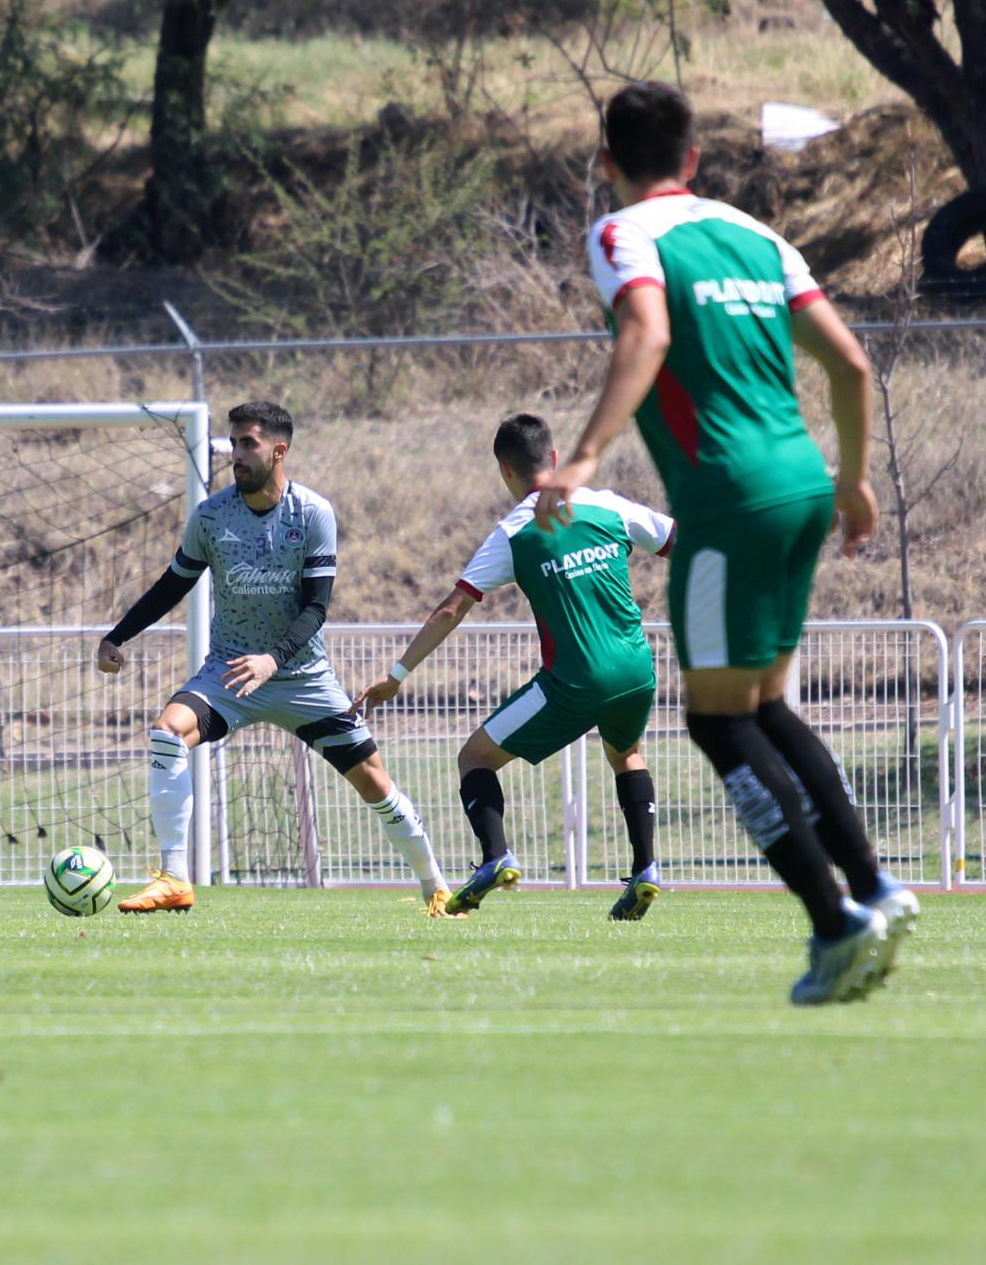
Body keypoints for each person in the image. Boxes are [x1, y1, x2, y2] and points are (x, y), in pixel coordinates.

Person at [533, 80, 920, 1004]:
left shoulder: (625, 233)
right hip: (804, 485)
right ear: (695, 158)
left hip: (727, 498)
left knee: (715, 720)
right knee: (766, 705)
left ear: (607, 163)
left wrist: (584, 456)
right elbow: (852, 361)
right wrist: (855, 478)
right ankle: (874, 885)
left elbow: (648, 332)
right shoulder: (761, 237)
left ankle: (836, 927)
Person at [95, 399, 460, 915]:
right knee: (168, 730)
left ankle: (436, 887)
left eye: (249, 444)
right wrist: (118, 635)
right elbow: (171, 585)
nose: (237, 454)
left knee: (375, 782)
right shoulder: (211, 516)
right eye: (234, 444)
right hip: (228, 671)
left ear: (279, 450)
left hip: (303, 677)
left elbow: (316, 607)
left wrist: (273, 658)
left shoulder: (311, 513)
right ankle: (175, 878)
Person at [352, 413, 674, 920]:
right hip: (637, 669)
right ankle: (647, 868)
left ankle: (495, 855)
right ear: (553, 457)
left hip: (574, 679)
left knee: (475, 758)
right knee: (627, 753)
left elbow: (452, 608)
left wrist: (396, 675)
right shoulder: (607, 505)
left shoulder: (513, 531)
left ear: (505, 471)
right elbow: (680, 542)